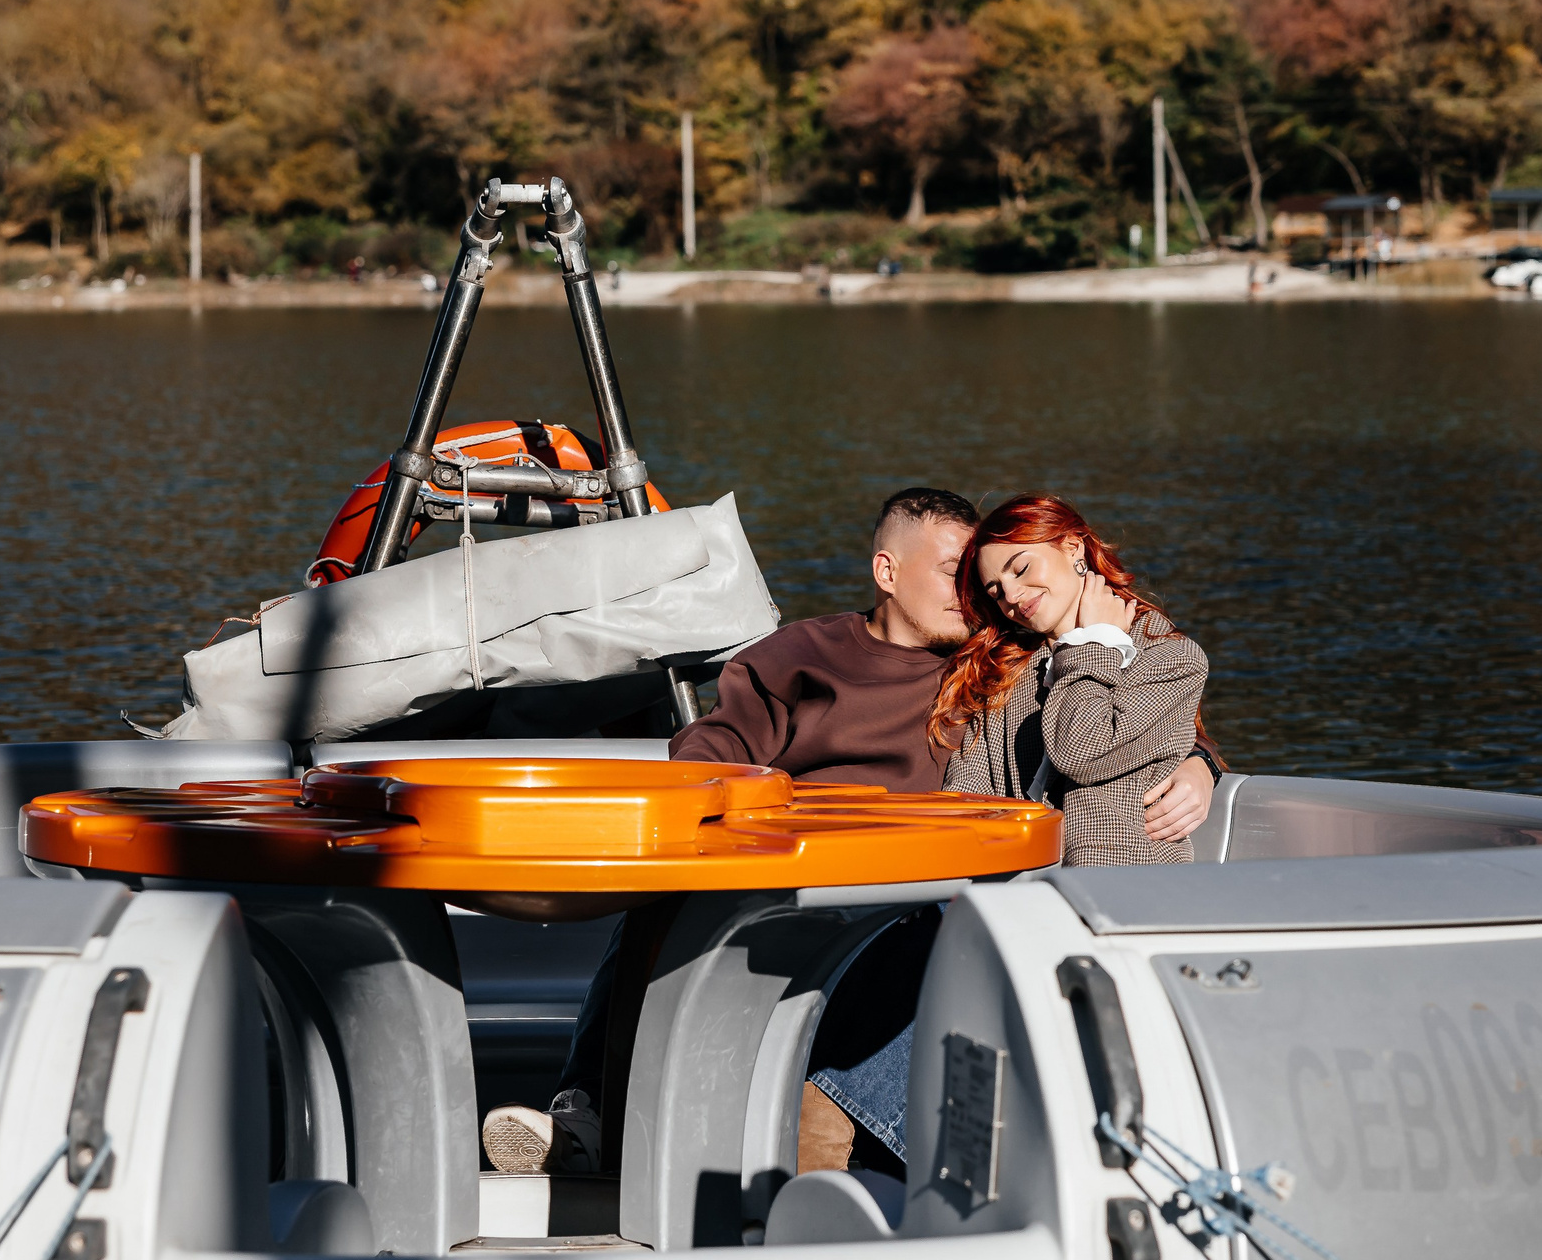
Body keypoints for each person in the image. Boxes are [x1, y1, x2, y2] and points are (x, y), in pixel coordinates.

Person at [480, 487, 1219, 1174]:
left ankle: (824, 1152)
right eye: (960, 574)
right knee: (665, 899)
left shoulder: (991, 660)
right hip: (786, 871)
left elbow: (1120, 704)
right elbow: (711, 752)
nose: (980, 596)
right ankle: (594, 1115)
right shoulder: (801, 656)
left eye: (986, 582)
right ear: (887, 570)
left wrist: (1200, 762)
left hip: (905, 887)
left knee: (919, 942)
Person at [938, 494, 1205, 866]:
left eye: (1021, 568)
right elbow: (968, 792)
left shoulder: (1172, 657)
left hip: (1124, 885)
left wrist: (1094, 640)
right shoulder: (1002, 673)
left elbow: (1081, 753)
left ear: (1071, 546)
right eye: (995, 591)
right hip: (1022, 887)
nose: (1012, 596)